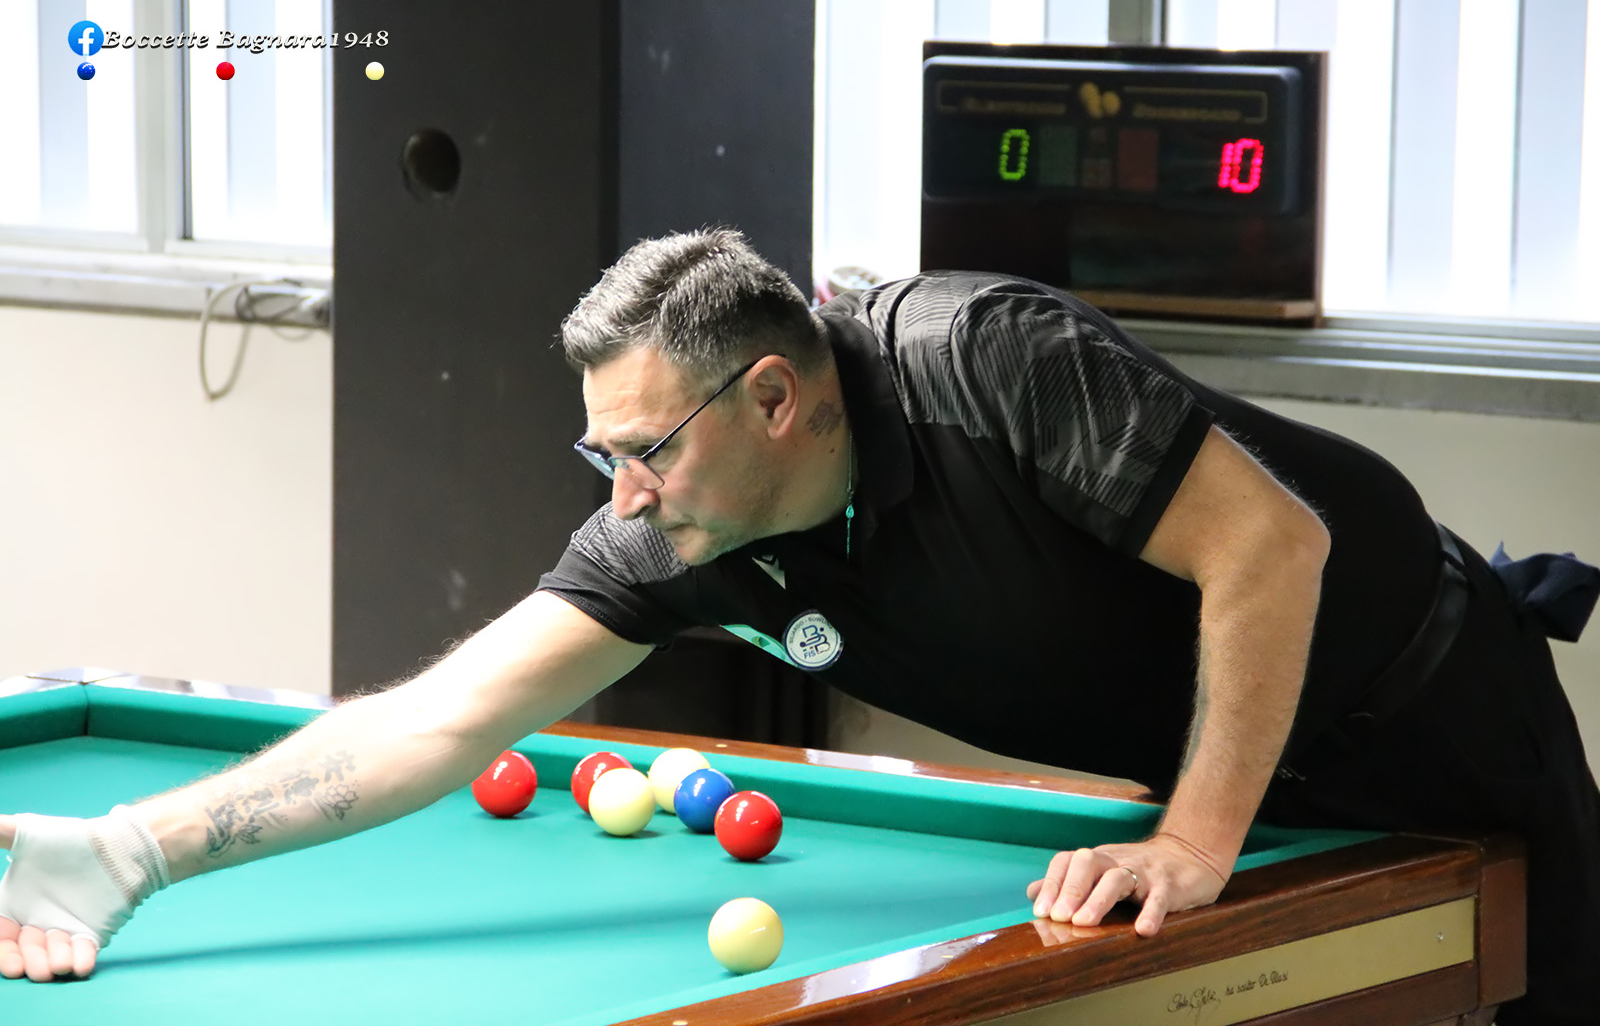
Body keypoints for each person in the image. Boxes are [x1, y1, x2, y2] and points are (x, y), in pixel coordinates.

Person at [2, 229, 1595, 1023]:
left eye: (645, 447)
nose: (624, 494)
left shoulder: (989, 361)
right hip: (1232, 774)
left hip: (1433, 704)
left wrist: (1191, 837)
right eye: (601, 457)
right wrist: (131, 848)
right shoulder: (687, 532)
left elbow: (1275, 543)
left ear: (773, 395)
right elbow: (440, 717)